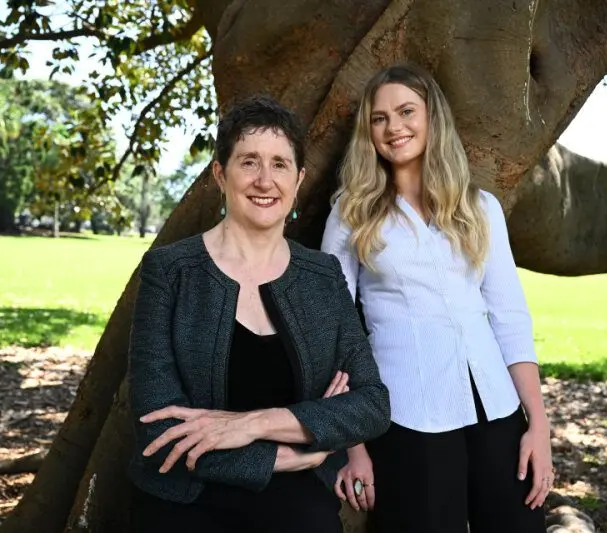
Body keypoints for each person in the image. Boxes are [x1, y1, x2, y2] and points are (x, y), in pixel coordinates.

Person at [127, 95, 391, 533]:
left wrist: (253, 424)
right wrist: (291, 453)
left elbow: (371, 403)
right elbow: (157, 430)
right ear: (220, 174)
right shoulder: (169, 271)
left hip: (297, 506)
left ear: (299, 179)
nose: (265, 180)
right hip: (186, 500)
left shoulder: (322, 275)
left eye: (280, 164)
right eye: (249, 162)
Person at [321, 64, 554, 533]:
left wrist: (538, 426)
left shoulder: (481, 208)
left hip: (496, 409)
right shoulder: (351, 213)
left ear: (432, 117)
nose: (394, 127)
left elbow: (510, 318)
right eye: (380, 118)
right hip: (407, 417)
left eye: (406, 111)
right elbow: (332, 331)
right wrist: (353, 449)